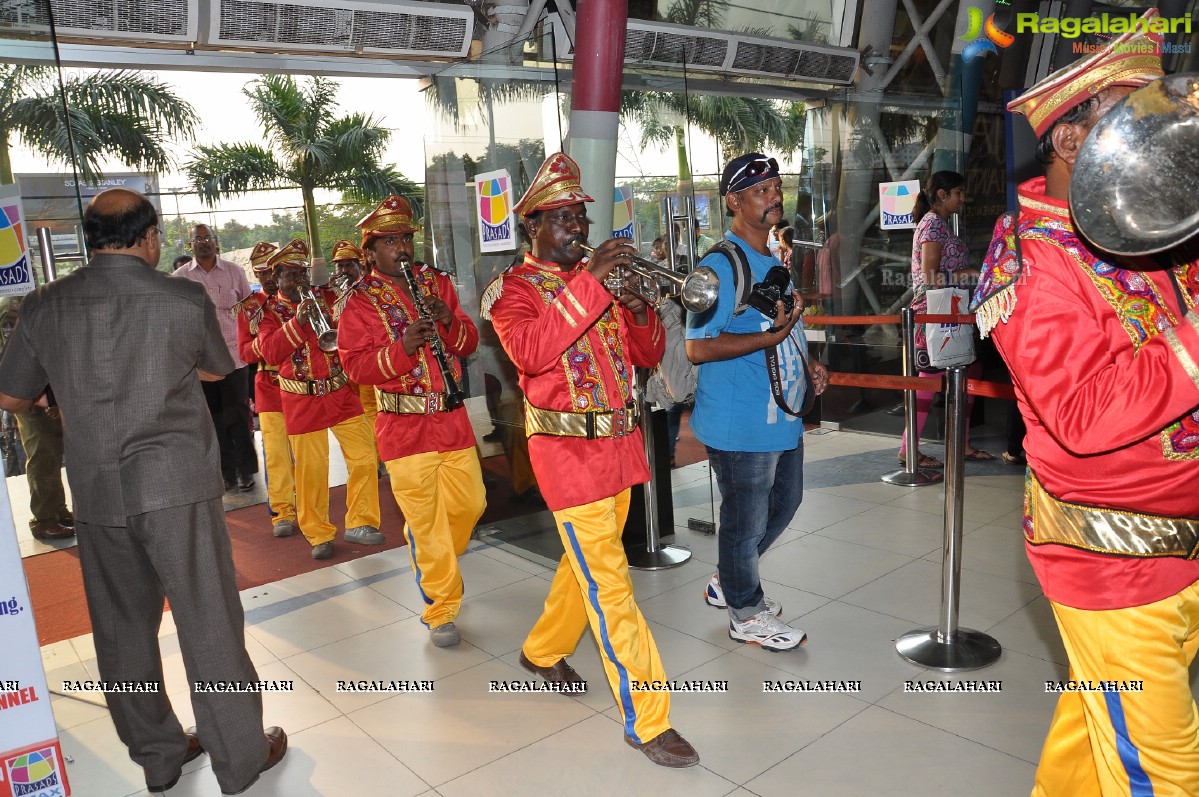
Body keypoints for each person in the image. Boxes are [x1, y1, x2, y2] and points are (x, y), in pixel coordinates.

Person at [972, 11, 1199, 794]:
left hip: (1175, 542)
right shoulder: (1032, 261)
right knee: (1162, 772)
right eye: (1138, 117)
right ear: (1072, 142)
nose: (1164, 134)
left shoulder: (1151, 233)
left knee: (1094, 729)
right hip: (1112, 564)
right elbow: (1085, 413)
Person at [0, 188, 285, 794]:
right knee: (208, 619)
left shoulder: (44, 304)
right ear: (149, 236)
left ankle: (158, 755)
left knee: (121, 627)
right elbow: (216, 368)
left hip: (99, 491)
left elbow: (11, 396)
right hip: (176, 485)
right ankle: (239, 758)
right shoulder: (182, 297)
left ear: (91, 238)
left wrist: (61, 390)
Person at [483, 152, 699, 768]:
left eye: (581, 217)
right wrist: (593, 285)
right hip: (568, 457)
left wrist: (635, 309)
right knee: (612, 589)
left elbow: (647, 352)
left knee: (584, 568)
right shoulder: (513, 290)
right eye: (564, 220)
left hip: (620, 448)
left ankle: (543, 651)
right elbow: (530, 352)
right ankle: (649, 720)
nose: (578, 229)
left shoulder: (593, 282)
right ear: (534, 227)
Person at [685, 152, 829, 653]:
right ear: (734, 202)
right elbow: (697, 347)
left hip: (780, 416)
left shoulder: (773, 262)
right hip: (739, 421)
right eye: (761, 190)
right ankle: (745, 611)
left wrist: (806, 365)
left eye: (776, 187)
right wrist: (770, 342)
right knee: (744, 523)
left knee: (786, 503)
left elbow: (783, 329)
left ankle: (729, 579)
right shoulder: (719, 267)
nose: (774, 197)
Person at [338, 196, 486, 648]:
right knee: (427, 524)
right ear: (370, 251)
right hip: (403, 430)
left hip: (452, 418)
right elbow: (356, 367)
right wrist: (401, 348)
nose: (401, 248)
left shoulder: (435, 283)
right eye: (390, 242)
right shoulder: (359, 302)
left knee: (470, 505)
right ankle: (440, 608)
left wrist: (446, 322)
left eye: (405, 239)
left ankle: (431, 551)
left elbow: (469, 342)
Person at [256, 239, 382, 560]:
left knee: (365, 455)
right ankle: (318, 533)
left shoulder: (327, 298)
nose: (299, 282)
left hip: (341, 392)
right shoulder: (269, 312)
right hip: (302, 400)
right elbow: (270, 351)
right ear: (278, 275)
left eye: (302, 275)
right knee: (311, 472)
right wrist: (298, 321)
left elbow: (351, 326)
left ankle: (361, 521)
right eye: (292, 276)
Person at [898, 171, 992, 469]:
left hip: (950, 313)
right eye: (959, 193)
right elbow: (928, 276)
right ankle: (907, 449)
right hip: (934, 315)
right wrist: (965, 273)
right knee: (928, 380)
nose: (963, 199)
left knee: (970, 371)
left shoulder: (939, 225)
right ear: (942, 194)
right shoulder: (933, 226)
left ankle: (960, 443)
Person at [174, 224, 259, 490]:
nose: (203, 242)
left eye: (207, 237)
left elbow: (249, 311)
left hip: (235, 357)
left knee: (238, 415)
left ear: (216, 242)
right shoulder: (180, 278)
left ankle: (246, 470)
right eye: (197, 239)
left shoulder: (234, 272)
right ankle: (226, 473)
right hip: (203, 363)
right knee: (214, 420)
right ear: (190, 246)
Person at [235, 241, 297, 538]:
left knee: (306, 452)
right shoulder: (249, 307)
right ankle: (283, 511)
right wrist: (268, 345)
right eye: (262, 274)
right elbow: (245, 352)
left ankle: (309, 507)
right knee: (276, 453)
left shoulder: (300, 298)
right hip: (270, 386)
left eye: (272, 271)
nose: (269, 279)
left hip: (304, 386)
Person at [0, 296, 74, 540]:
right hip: (28, 393)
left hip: (44, 389)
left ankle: (57, 511)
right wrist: (35, 395)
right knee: (42, 454)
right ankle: (44, 519)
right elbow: (13, 358)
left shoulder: (38, 300)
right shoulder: (11, 305)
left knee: (51, 454)